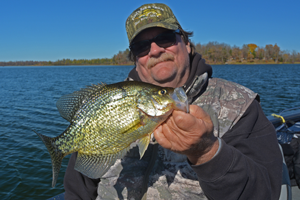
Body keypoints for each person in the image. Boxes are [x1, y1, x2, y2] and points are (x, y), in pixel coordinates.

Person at [64, 3, 282, 200]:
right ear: (135, 58)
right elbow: (77, 190)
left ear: (186, 43)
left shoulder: (241, 106)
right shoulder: (108, 106)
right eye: (142, 46)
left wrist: (208, 153)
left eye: (166, 38)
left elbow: (264, 193)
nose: (156, 50)